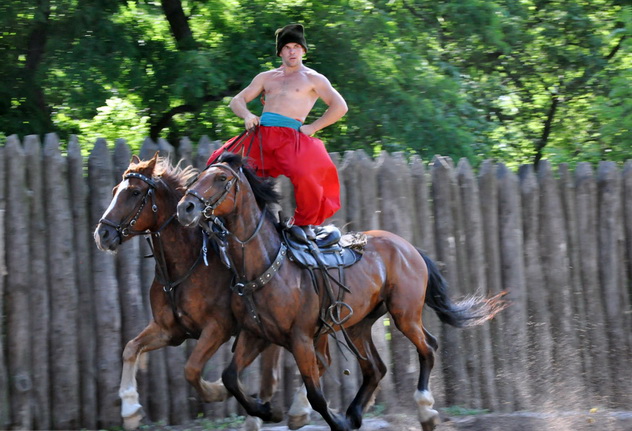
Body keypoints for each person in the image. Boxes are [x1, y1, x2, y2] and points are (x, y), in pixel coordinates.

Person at [208, 23, 348, 239]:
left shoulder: (314, 78)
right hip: (261, 135)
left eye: (296, 46)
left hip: (292, 137)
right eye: (287, 47)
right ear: (280, 51)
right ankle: (216, 216)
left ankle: (303, 224)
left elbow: (340, 107)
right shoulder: (267, 77)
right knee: (220, 163)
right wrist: (247, 115)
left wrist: (312, 127)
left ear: (303, 50)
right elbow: (237, 101)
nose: (291, 51)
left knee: (308, 176)